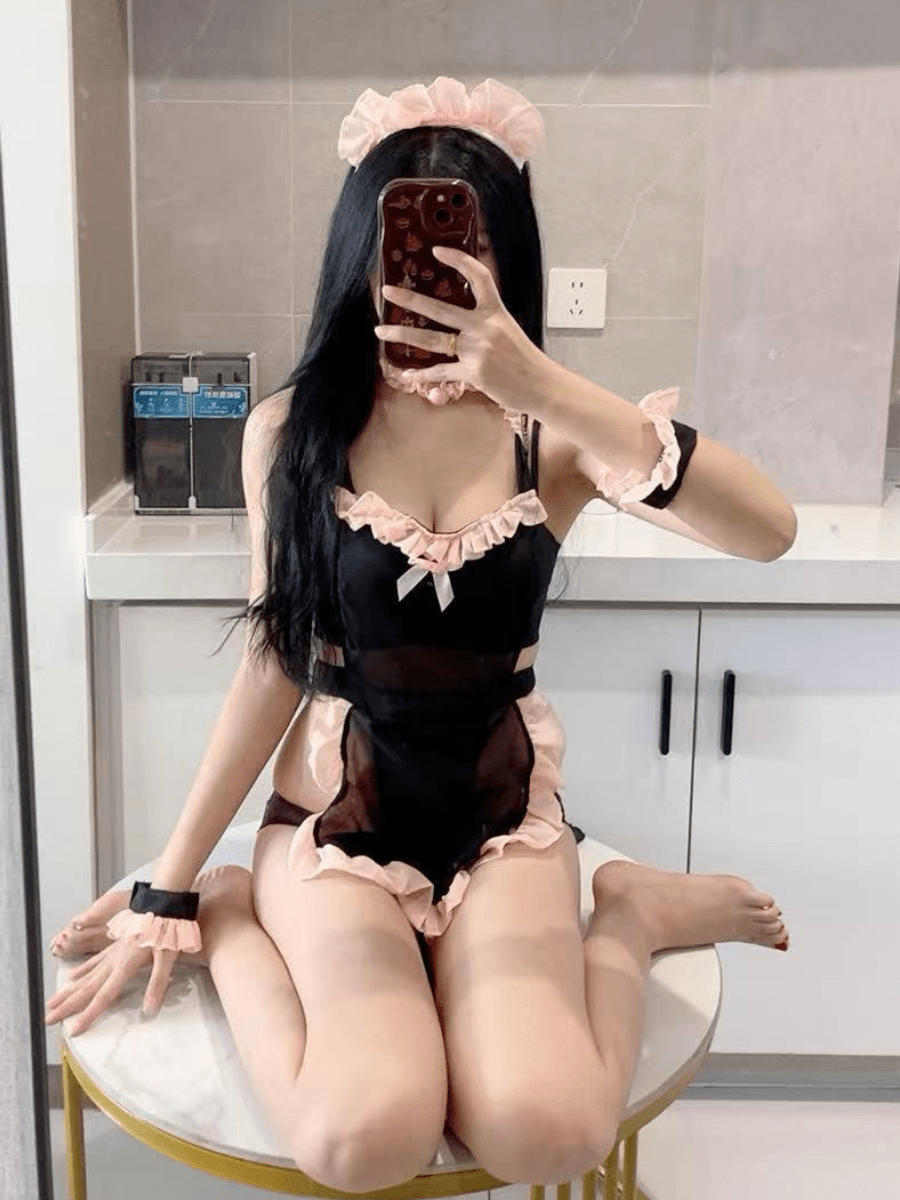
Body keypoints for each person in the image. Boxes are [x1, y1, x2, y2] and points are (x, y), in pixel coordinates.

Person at [45, 77, 795, 1193]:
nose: (434, 274)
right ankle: (245, 917)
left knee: (549, 1132)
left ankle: (629, 917)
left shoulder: (553, 434)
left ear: (508, 259)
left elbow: (768, 530)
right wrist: (178, 884)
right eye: (409, 245)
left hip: (503, 826)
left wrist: (542, 379)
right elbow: (273, 665)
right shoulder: (293, 433)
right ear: (363, 251)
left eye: (467, 248)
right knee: (365, 1137)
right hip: (333, 824)